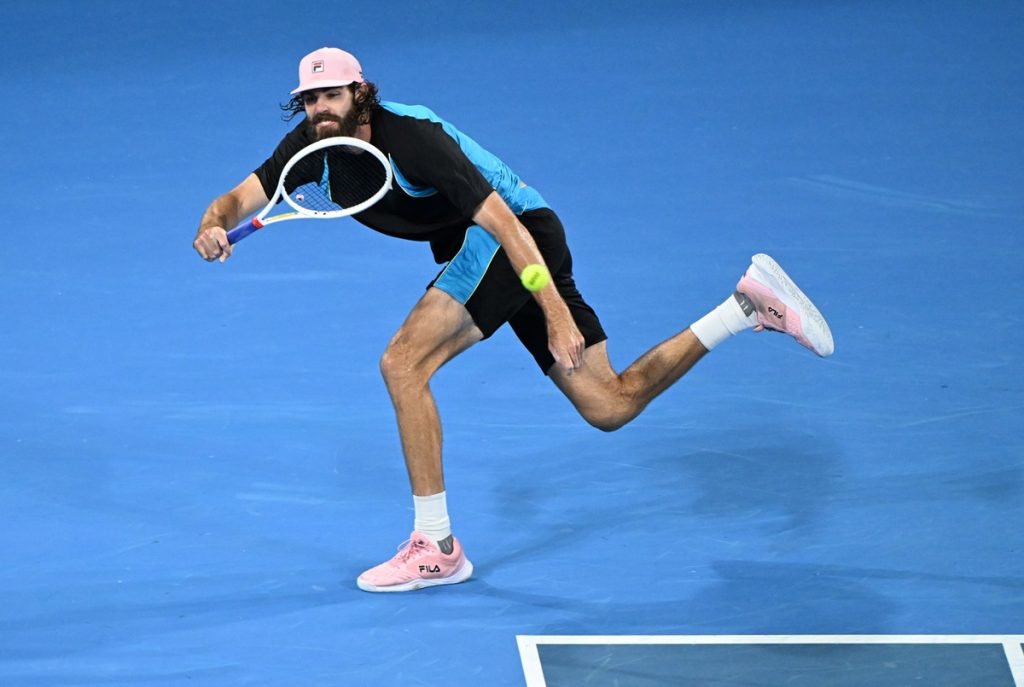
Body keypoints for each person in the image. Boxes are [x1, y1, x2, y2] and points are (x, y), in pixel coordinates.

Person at [193, 47, 834, 593]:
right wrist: (212, 224)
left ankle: (436, 547)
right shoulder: (311, 147)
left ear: (360, 92)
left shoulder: (412, 138)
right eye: (308, 100)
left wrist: (554, 311)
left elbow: (504, 223)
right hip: (508, 248)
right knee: (609, 405)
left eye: (330, 95)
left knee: (402, 364)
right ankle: (746, 306)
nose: (318, 110)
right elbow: (237, 197)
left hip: (517, 240)